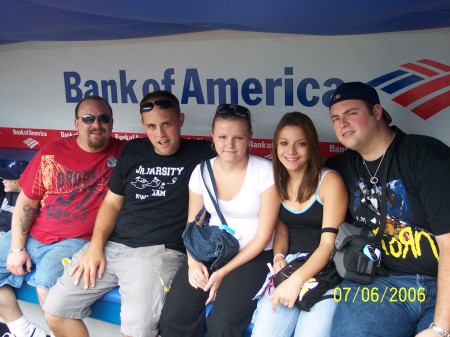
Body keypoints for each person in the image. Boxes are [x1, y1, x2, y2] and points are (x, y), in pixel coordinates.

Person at [43, 90, 216, 337]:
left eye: (167, 124)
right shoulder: (133, 149)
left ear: (180, 120)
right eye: (152, 126)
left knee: (137, 332)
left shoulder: (203, 154)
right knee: (56, 310)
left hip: (157, 253)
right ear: (143, 126)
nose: (160, 134)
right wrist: (95, 247)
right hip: (111, 248)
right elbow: (111, 204)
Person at [325, 82, 450, 337]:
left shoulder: (425, 155)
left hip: (440, 284)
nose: (342, 123)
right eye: (336, 118)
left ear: (377, 112)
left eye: (351, 113)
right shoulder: (340, 167)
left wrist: (440, 328)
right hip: (380, 283)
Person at [0, 95, 124, 337]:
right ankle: (24, 331)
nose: (96, 124)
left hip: (76, 241)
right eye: (88, 118)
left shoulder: (124, 153)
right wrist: (17, 248)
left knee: (47, 288)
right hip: (35, 235)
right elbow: (27, 201)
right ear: (77, 123)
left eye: (103, 118)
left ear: (111, 122)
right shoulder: (53, 151)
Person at [159, 104, 280, 337]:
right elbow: (193, 227)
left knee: (222, 324)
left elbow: (264, 236)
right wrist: (193, 262)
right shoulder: (201, 171)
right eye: (223, 137)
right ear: (212, 137)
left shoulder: (265, 172)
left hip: (253, 256)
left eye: (238, 137)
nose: (230, 145)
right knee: (174, 317)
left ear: (250, 138)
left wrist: (223, 273)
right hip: (211, 251)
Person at [250, 112, 347, 337]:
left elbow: (328, 244)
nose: (291, 152)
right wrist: (278, 258)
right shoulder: (277, 180)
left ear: (311, 147)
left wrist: (296, 281)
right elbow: (282, 229)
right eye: (284, 143)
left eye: (300, 144)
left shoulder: (329, 181)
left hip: (326, 269)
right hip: (291, 266)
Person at [0, 161, 29, 236]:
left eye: (8, 178)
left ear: (20, 180)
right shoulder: (9, 190)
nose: (3, 181)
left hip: (10, 238)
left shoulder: (31, 201)